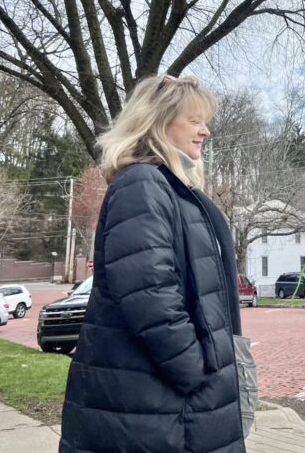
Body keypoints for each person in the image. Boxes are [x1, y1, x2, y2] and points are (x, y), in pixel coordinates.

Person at [60, 74, 245, 453]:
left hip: (166, 401)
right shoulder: (143, 184)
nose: (206, 131)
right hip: (159, 405)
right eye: (195, 120)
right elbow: (149, 294)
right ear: (159, 121)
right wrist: (194, 369)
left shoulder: (170, 187)